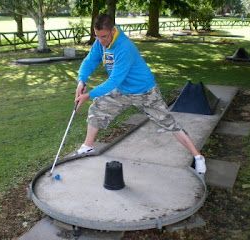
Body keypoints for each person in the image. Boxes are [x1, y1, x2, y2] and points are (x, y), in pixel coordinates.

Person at [74, 14, 206, 175]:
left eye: (104, 36)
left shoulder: (124, 47)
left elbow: (115, 79)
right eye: (97, 36)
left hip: (145, 91)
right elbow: (89, 61)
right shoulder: (100, 42)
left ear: (112, 30)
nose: (101, 40)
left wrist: (89, 94)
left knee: (168, 123)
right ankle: (88, 147)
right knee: (98, 108)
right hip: (122, 90)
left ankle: (198, 157)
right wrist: (81, 80)